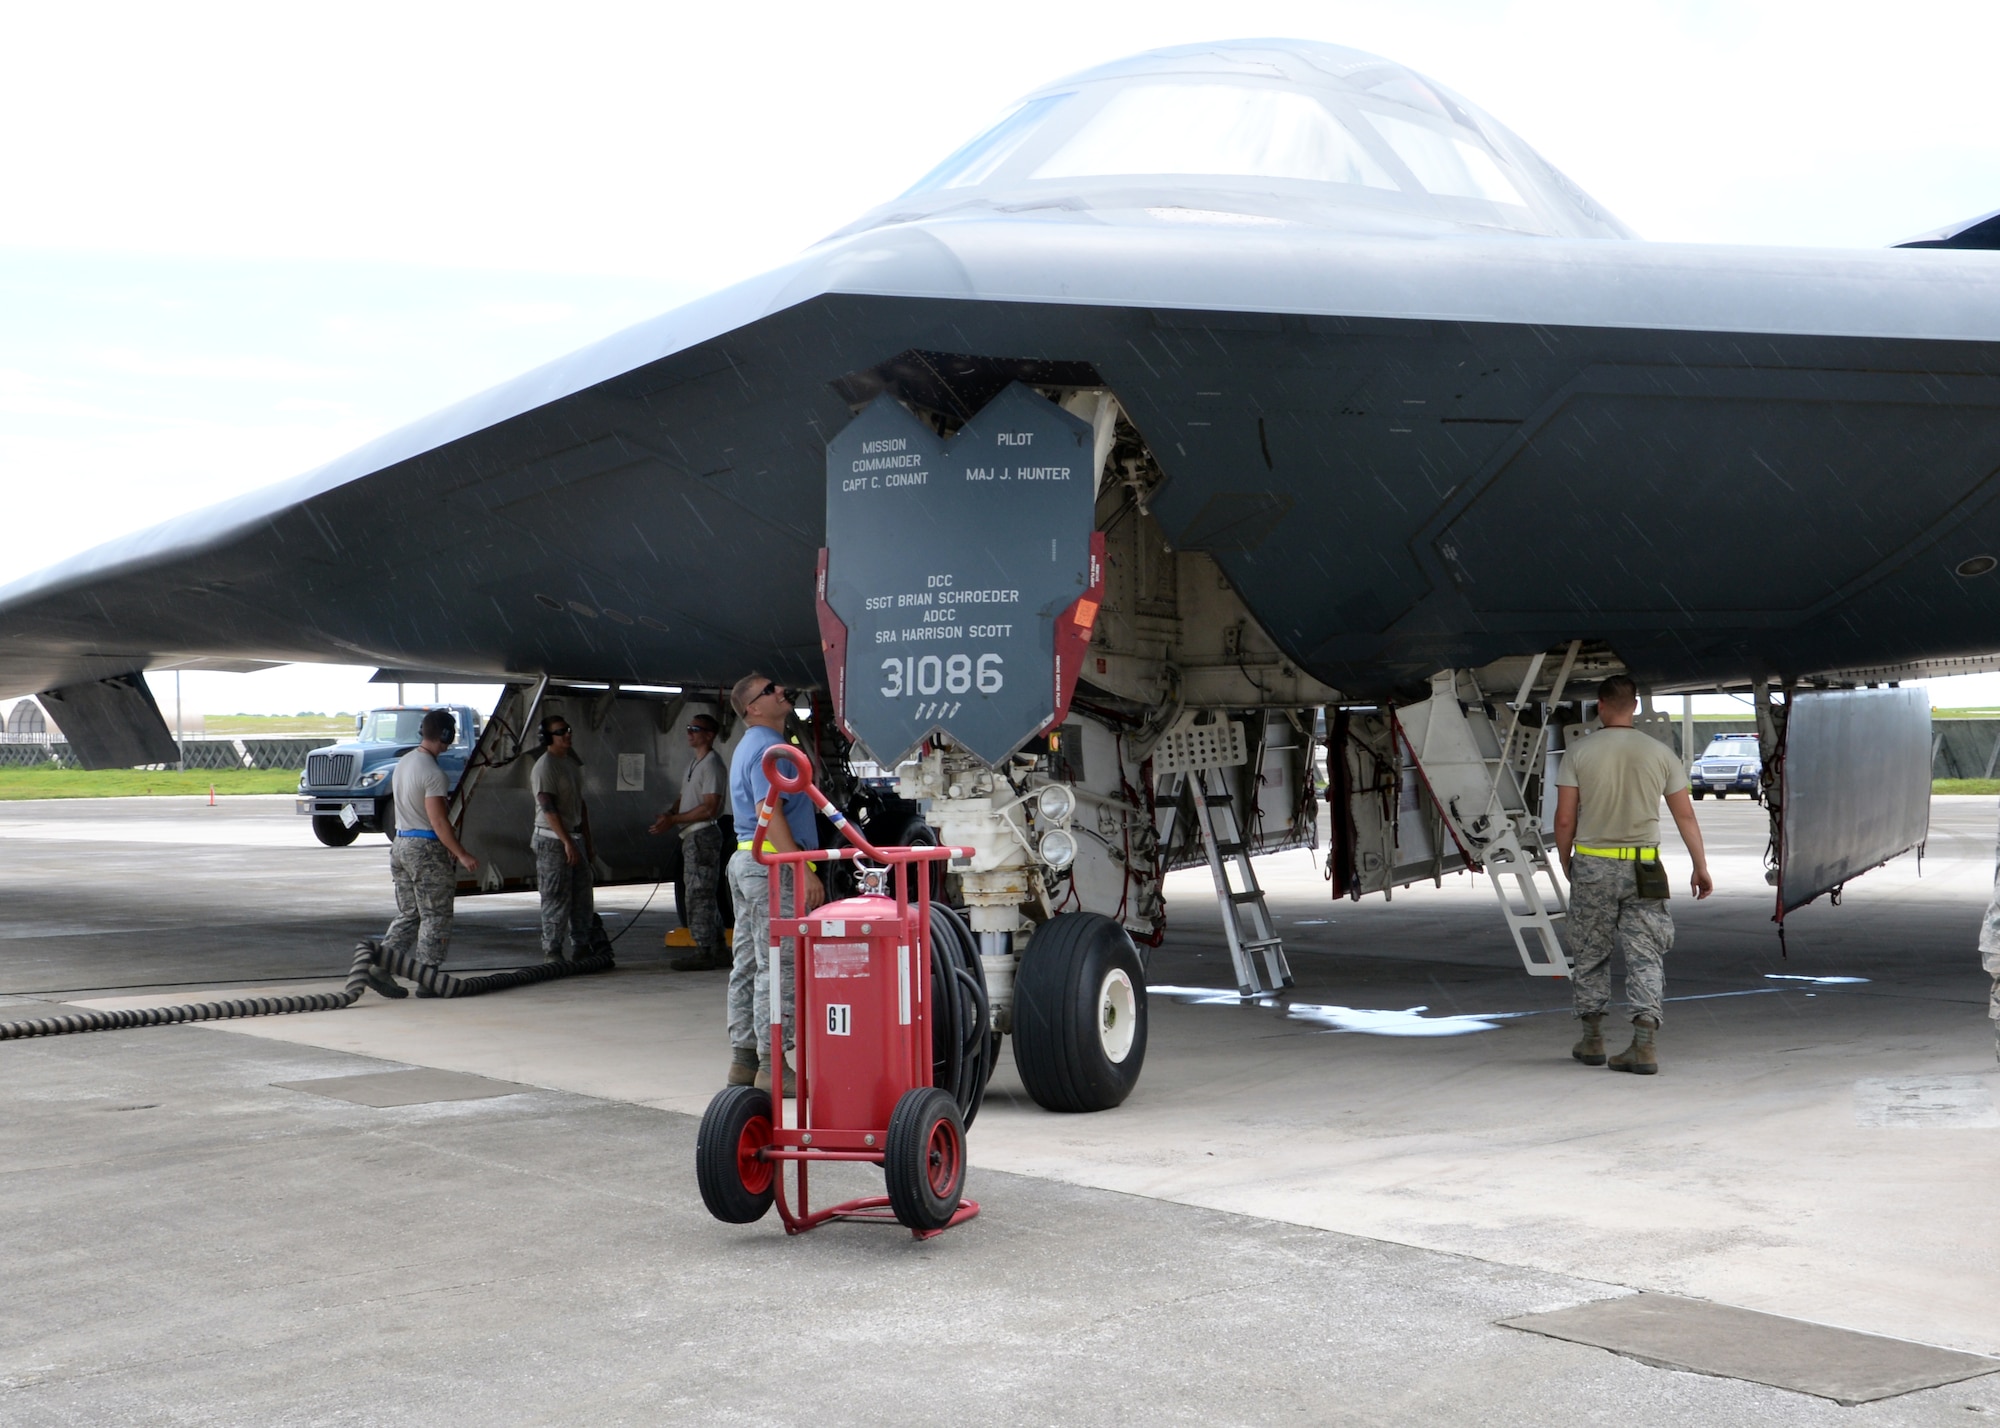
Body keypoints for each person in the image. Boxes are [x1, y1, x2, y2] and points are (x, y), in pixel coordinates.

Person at [1552, 675, 1713, 1074]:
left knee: (1590, 951)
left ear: (1601, 706)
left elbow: (1564, 817)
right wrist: (1700, 865)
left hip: (1593, 862)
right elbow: (1685, 815)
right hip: (1644, 865)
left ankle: (1592, 1041)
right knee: (1646, 953)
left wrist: (1565, 856)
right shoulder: (1660, 753)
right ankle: (1644, 1045)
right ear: (1636, 706)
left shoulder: (1579, 752)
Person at [724, 673, 824, 1092]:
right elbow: (774, 813)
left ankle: (744, 1061)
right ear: (753, 709)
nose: (781, 691)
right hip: (771, 864)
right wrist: (802, 869)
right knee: (778, 964)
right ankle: (773, 1066)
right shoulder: (769, 748)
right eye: (770, 691)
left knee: (748, 962)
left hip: (746, 859)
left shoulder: (748, 746)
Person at [377, 708, 479, 996]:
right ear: (446, 735)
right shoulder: (433, 773)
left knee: (410, 913)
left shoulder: (404, 763)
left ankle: (381, 967)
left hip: (400, 844)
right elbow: (438, 821)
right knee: (435, 914)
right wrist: (461, 853)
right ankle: (428, 977)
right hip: (425, 849)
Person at [650, 711, 730, 972]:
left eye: (696, 729)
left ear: (709, 735)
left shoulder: (712, 765)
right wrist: (671, 814)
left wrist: (675, 820)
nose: (690, 732)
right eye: (689, 727)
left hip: (702, 834)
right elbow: (685, 796)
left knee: (699, 894)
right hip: (691, 835)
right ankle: (714, 947)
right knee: (700, 893)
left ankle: (704, 949)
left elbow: (709, 807)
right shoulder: (695, 764)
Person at [531, 713, 601, 963]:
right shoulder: (545, 766)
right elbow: (549, 809)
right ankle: (553, 949)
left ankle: (581, 944)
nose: (567, 735)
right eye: (561, 731)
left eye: (568, 729)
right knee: (556, 895)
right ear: (549, 737)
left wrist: (586, 843)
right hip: (553, 840)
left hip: (574, 837)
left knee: (582, 895)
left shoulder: (570, 764)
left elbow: (580, 806)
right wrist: (566, 842)